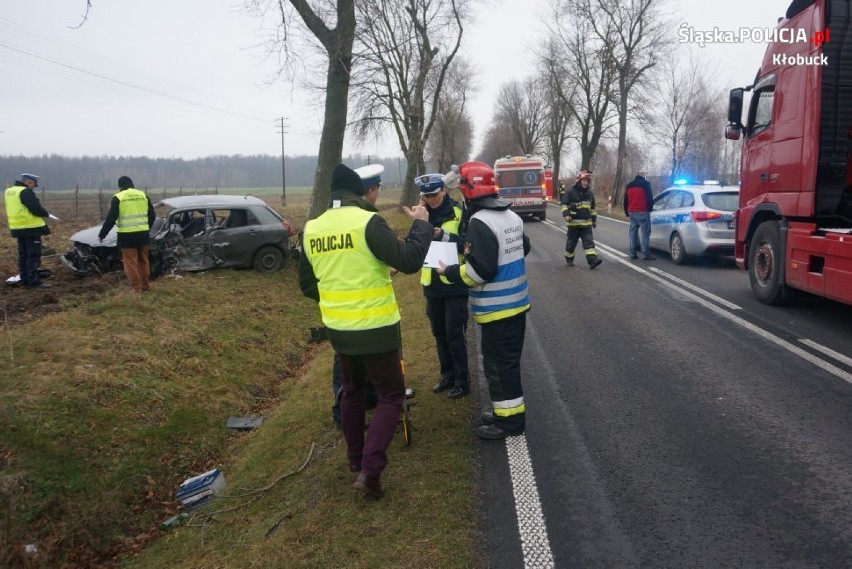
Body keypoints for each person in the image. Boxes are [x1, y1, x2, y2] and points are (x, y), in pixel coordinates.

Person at [299, 163, 431, 499]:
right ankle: (371, 471)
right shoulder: (367, 221)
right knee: (390, 395)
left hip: (340, 331)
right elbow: (410, 259)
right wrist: (420, 225)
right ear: (360, 192)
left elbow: (307, 284)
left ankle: (355, 461)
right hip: (376, 328)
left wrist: (336, 295)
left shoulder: (312, 228)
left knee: (353, 392)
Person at [437, 161, 531, 440]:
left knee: (500, 367)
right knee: (505, 365)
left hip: (498, 310)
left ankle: (510, 424)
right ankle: (505, 415)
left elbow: (480, 271)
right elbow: (524, 246)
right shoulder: (509, 215)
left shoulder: (480, 221)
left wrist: (450, 272)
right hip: (516, 307)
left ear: (468, 190)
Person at [329, 164, 384, 427]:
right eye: (376, 190)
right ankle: (348, 410)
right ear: (370, 190)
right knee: (356, 364)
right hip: (365, 309)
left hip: (338, 314)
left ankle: (360, 403)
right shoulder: (365, 220)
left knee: (346, 362)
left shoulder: (324, 223)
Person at [415, 173, 470, 400]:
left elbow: (468, 243)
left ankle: (462, 381)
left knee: (454, 334)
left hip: (454, 283)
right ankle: (447, 376)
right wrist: (420, 222)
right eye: (427, 196)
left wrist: (444, 235)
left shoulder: (459, 212)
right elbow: (415, 244)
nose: (432, 199)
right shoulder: (423, 215)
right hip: (432, 285)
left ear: (444, 191)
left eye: (435, 194)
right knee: (439, 333)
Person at [98, 176, 156, 292]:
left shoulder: (119, 197)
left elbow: (111, 218)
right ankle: (146, 286)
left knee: (131, 263)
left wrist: (102, 234)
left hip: (127, 237)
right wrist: (146, 228)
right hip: (143, 235)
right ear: (132, 184)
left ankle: (137, 289)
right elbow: (152, 215)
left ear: (120, 186)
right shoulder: (143, 195)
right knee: (144, 261)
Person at [4, 173, 54, 289]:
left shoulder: (9, 191)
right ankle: (34, 282)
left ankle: (25, 279)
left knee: (23, 255)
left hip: (18, 228)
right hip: (31, 228)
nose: (33, 188)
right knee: (33, 255)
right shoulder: (25, 192)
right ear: (28, 182)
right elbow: (36, 209)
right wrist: (47, 214)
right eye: (33, 185)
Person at [561, 170, 602, 269]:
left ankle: (593, 261)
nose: (585, 183)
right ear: (579, 181)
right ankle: (569, 259)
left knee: (589, 243)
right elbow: (564, 204)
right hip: (573, 225)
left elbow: (592, 209)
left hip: (586, 225)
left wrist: (594, 220)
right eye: (583, 180)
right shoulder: (571, 192)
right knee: (571, 244)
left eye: (587, 181)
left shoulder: (590, 194)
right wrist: (566, 215)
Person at [623, 171, 656, 260]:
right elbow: (650, 198)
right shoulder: (646, 184)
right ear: (643, 176)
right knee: (645, 232)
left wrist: (626, 211)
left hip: (631, 212)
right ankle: (645, 253)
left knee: (633, 232)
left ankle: (633, 253)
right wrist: (649, 209)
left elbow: (625, 200)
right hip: (642, 211)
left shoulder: (629, 185)